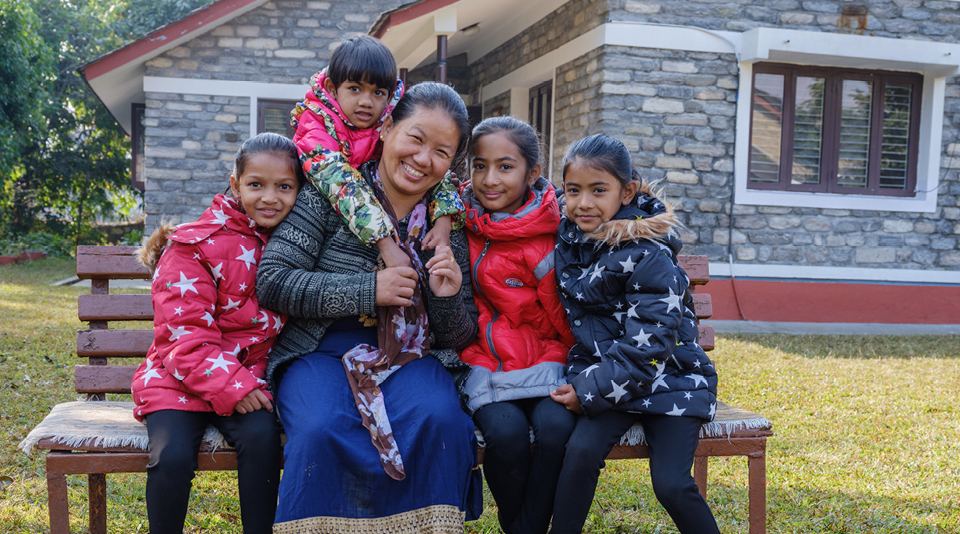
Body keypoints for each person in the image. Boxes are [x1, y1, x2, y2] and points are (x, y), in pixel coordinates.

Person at [257, 82, 481, 533]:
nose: (423, 159)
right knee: (320, 429)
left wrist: (446, 294)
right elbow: (274, 282)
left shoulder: (446, 225)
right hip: (319, 352)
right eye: (415, 138)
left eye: (442, 151)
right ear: (387, 128)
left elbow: (459, 336)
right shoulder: (330, 195)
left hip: (410, 357)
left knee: (442, 421)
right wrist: (369, 288)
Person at [131, 132, 302, 534]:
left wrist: (244, 385)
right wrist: (232, 384)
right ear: (235, 184)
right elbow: (182, 332)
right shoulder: (195, 245)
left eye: (285, 187)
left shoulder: (295, 245)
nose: (270, 198)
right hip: (178, 379)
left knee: (262, 440)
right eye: (256, 184)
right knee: (171, 456)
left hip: (249, 377)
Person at [548, 134, 720, 534]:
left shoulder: (649, 253)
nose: (583, 203)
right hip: (615, 383)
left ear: (626, 192)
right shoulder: (573, 240)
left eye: (598, 190)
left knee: (671, 484)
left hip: (673, 382)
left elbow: (652, 346)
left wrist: (589, 390)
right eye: (573, 191)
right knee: (579, 452)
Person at [458, 116, 575, 534]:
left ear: (533, 173)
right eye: (479, 165)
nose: (489, 179)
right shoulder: (455, 224)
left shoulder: (552, 237)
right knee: (505, 436)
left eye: (505, 166)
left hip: (548, 362)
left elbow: (564, 320)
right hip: (486, 365)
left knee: (557, 428)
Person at [291, 34, 464, 271]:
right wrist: (385, 243)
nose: (366, 102)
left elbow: (435, 174)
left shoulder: (379, 123)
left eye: (378, 93)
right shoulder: (316, 128)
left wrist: (444, 219)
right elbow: (341, 184)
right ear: (332, 88)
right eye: (354, 88)